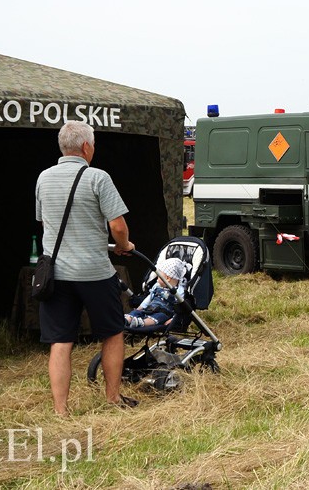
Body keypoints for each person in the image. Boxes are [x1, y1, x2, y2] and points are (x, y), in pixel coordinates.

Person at [35, 120, 137, 415]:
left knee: (60, 341)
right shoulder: (97, 178)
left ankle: (60, 410)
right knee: (113, 333)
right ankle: (112, 398)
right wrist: (125, 245)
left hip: (56, 274)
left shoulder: (43, 178)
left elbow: (44, 222)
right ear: (87, 147)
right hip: (94, 272)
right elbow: (117, 225)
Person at [125, 258, 188, 329]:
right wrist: (139, 308)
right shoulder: (157, 286)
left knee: (159, 317)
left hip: (164, 313)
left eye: (159, 277)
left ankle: (142, 323)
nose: (157, 279)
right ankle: (126, 320)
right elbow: (149, 298)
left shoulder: (179, 292)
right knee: (136, 313)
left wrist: (173, 320)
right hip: (149, 309)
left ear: (167, 278)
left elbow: (180, 309)